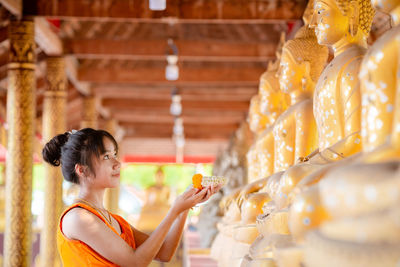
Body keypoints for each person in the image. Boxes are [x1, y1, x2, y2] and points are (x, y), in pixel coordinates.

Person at [42, 128, 220, 267]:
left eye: (115, 155)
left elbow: (164, 253)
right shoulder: (77, 218)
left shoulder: (114, 220)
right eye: (106, 157)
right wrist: (174, 210)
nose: (117, 163)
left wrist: (184, 208)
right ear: (82, 170)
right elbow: (136, 262)